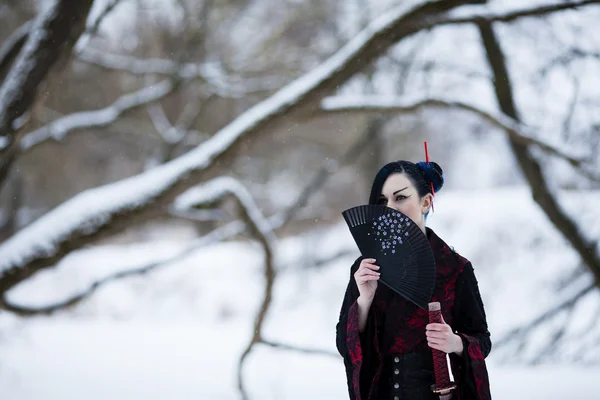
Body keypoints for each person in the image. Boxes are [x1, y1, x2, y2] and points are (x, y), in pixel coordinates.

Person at [336, 160, 492, 400]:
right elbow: (344, 346)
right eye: (382, 201)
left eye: (400, 198)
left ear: (426, 202)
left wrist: (455, 342)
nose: (389, 208)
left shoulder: (455, 268)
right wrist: (364, 303)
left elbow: (482, 341)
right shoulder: (365, 267)